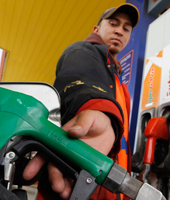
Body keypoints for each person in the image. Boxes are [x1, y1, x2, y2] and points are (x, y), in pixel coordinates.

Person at [23, 3, 139, 200]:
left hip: (107, 185)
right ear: (97, 29)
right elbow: (82, 80)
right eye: (113, 23)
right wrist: (95, 108)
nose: (119, 30)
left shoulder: (117, 78)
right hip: (80, 183)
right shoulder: (83, 51)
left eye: (126, 28)